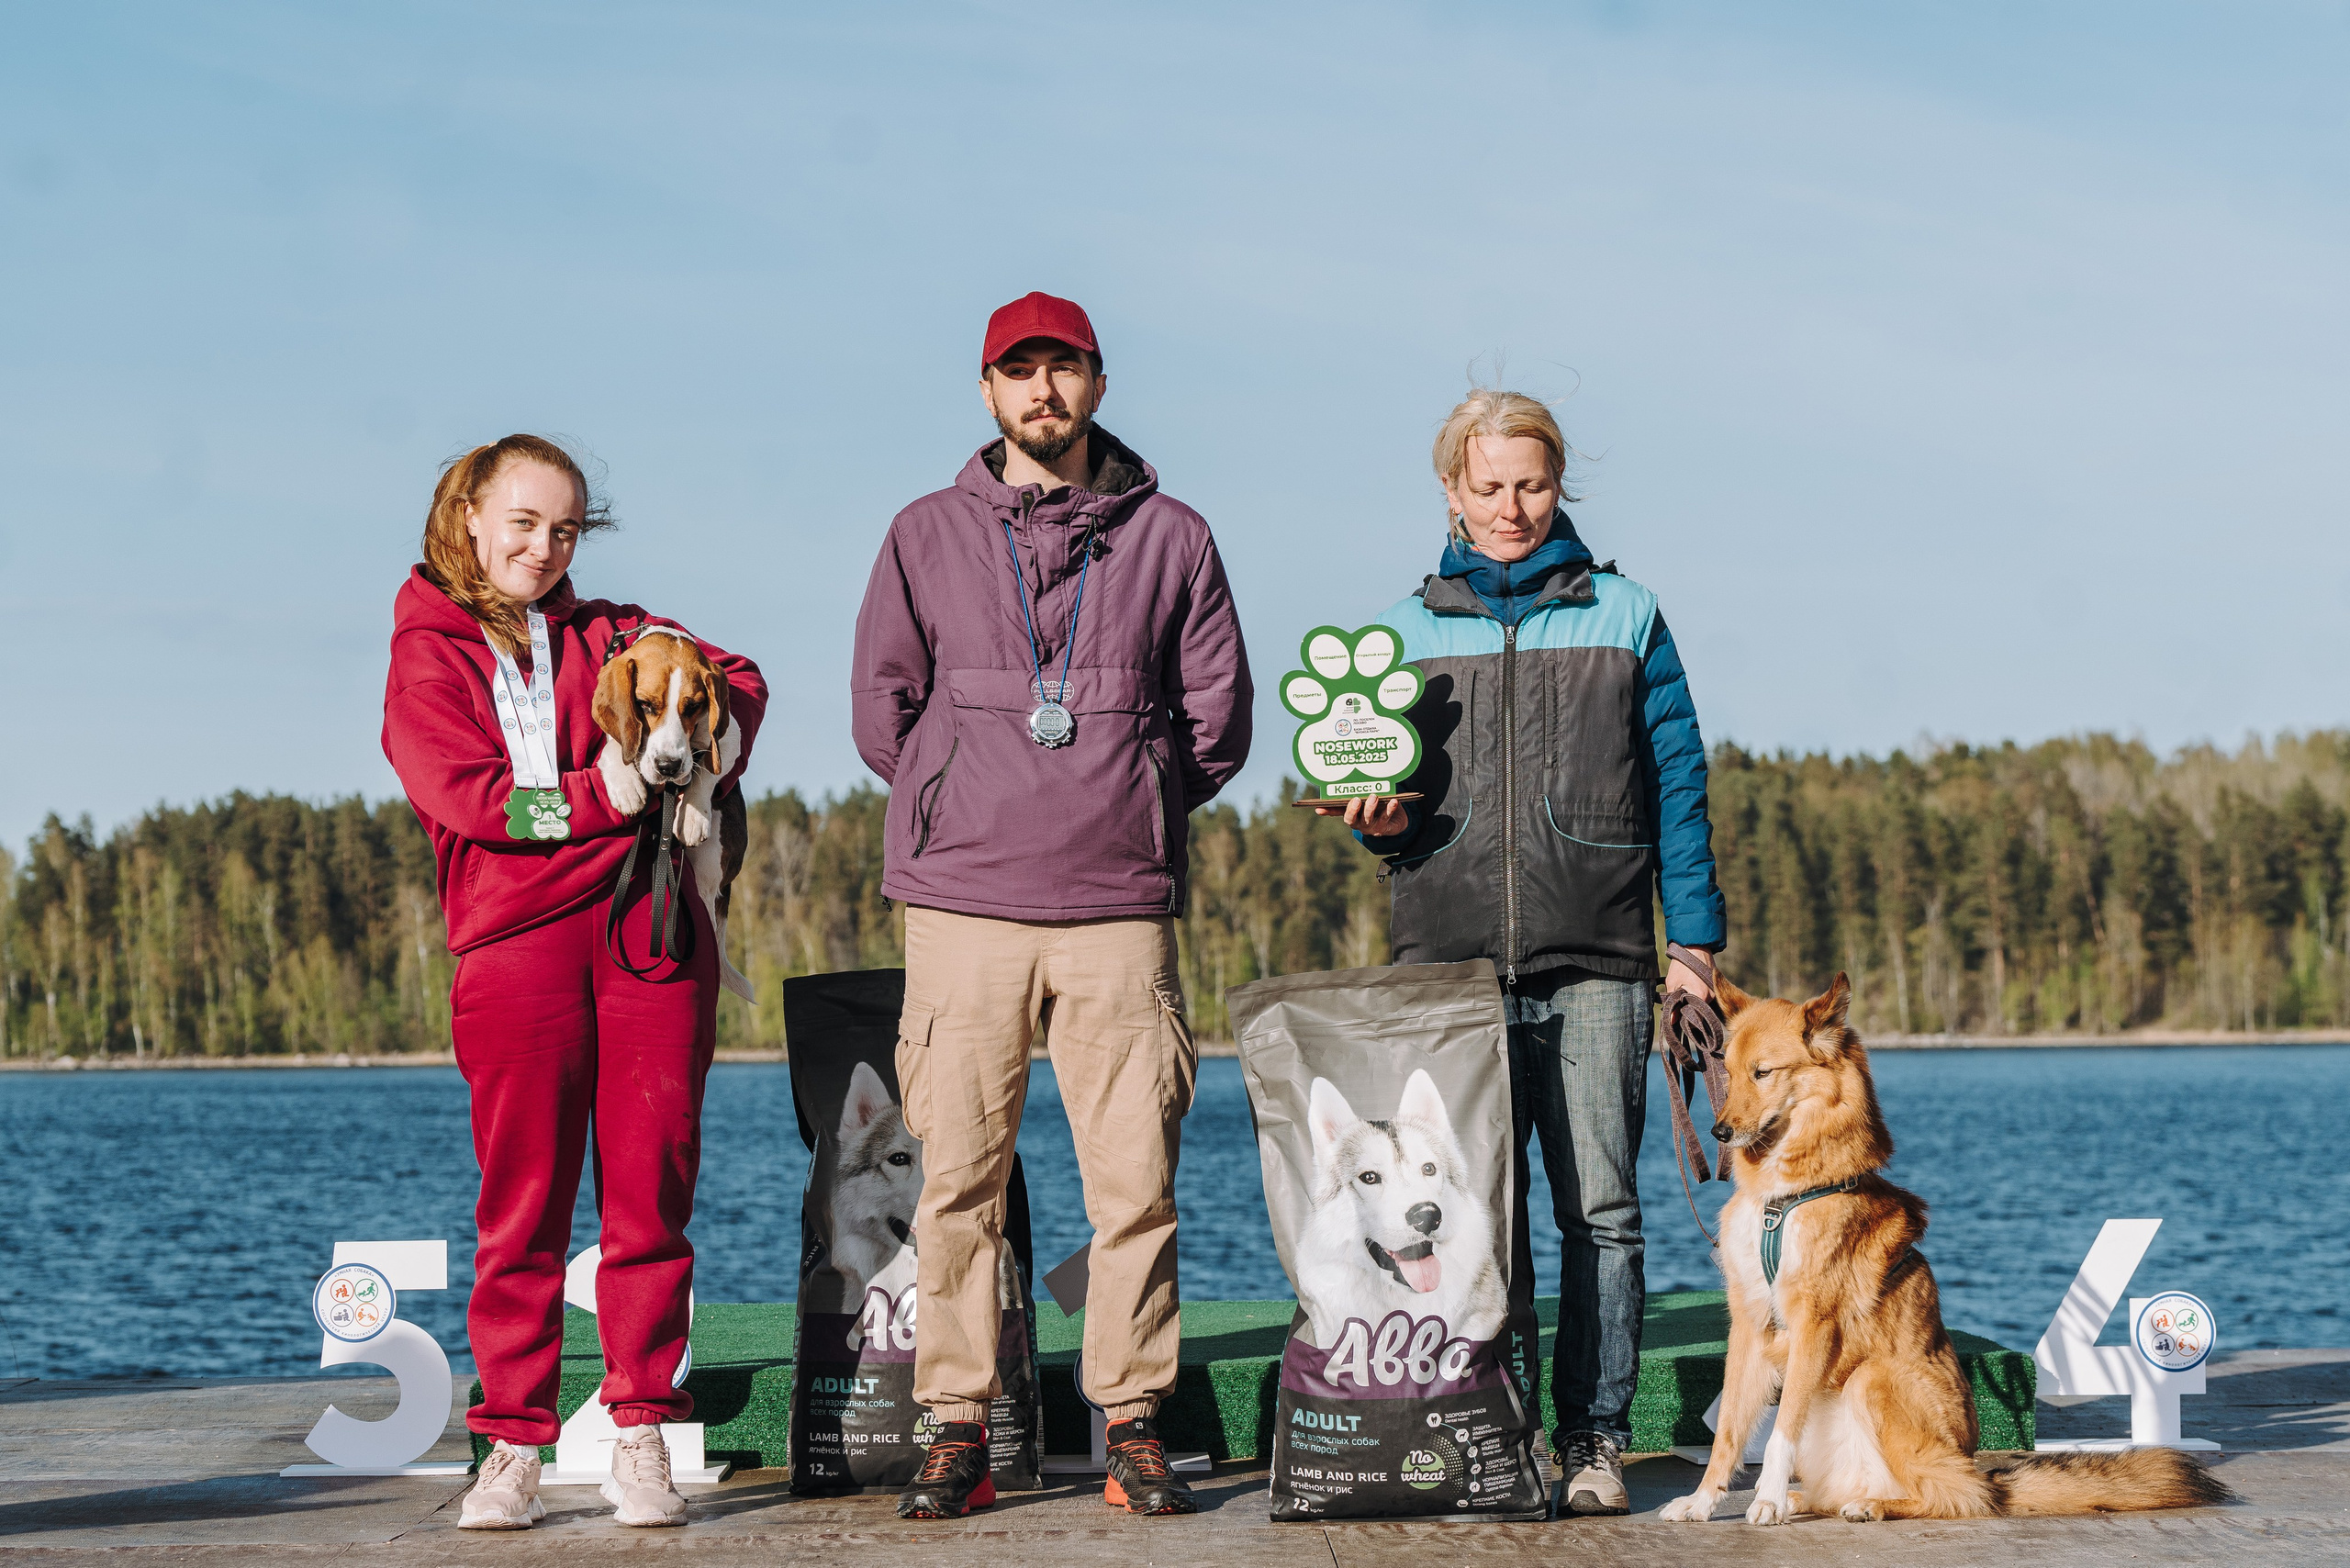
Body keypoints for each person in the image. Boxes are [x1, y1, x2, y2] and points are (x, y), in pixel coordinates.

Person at [851, 291, 1252, 1519]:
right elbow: (884, 712)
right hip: (964, 902)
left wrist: (1123, 789)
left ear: (1098, 384)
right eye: (1018, 372)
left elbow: (1218, 720)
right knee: (955, 1181)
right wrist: (962, 787)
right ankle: (958, 1430)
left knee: (1132, 1182)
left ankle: (1131, 1422)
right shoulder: (923, 533)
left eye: (1064, 369)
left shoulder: (1173, 536)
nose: (1042, 391)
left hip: (1116, 906)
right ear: (987, 393)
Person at [1318, 389, 1725, 1518]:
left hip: (1600, 957)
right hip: (1446, 969)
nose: (1511, 507)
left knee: (1599, 1209)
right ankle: (1504, 1433)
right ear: (1450, 491)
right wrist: (1380, 827)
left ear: (1561, 487)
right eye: (1488, 486)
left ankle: (1593, 1437)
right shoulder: (1396, 632)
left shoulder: (1628, 613)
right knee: (1478, 1215)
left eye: (1531, 484)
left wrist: (1690, 946)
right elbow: (1390, 804)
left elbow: (1680, 787)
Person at [382, 435, 767, 1531]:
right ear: (469, 516)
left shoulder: (613, 633)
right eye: (524, 523)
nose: (544, 548)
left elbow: (738, 678)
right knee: (524, 1206)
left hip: (648, 930)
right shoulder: (427, 652)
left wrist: (702, 721)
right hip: (514, 948)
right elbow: (475, 801)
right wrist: (603, 797)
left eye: (565, 530)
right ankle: (511, 1441)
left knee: (652, 1191)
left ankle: (640, 1426)